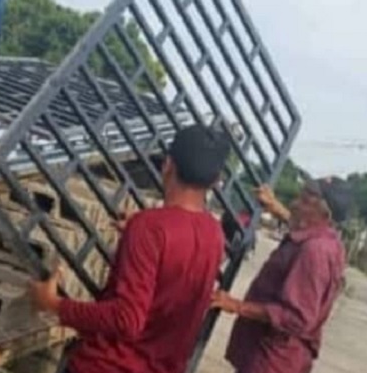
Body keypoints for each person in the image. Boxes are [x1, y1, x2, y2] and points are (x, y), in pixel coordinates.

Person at [29, 124, 230, 373]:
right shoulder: (214, 233)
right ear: (216, 181)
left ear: (167, 164)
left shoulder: (150, 228)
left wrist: (55, 305)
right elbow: (175, 268)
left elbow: (127, 319)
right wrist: (140, 237)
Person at [211, 180, 347, 373]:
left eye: (307, 196)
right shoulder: (324, 240)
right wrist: (276, 208)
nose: (298, 199)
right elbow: (299, 228)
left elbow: (297, 317)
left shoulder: (315, 251)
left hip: (273, 360)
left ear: (324, 212)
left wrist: (236, 306)